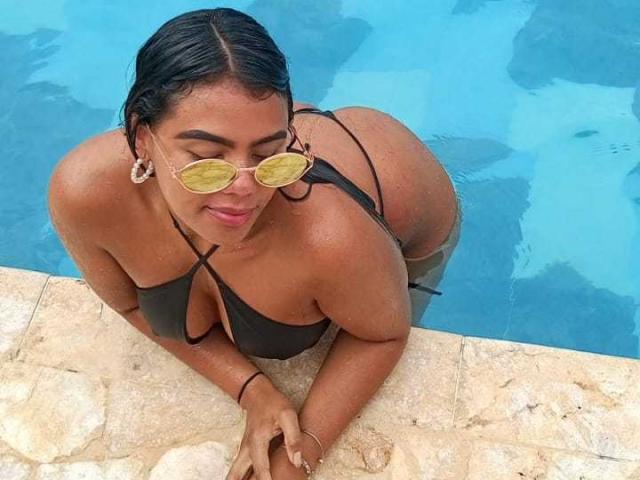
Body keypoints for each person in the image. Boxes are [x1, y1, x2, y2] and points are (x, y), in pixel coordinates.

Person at [47, 7, 461, 480]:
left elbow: (383, 332)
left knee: (379, 296)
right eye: (207, 159)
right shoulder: (85, 194)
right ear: (142, 139)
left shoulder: (331, 237)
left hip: (406, 205)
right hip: (282, 133)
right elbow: (128, 304)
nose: (245, 188)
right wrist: (252, 390)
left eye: (269, 156)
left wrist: (300, 455)